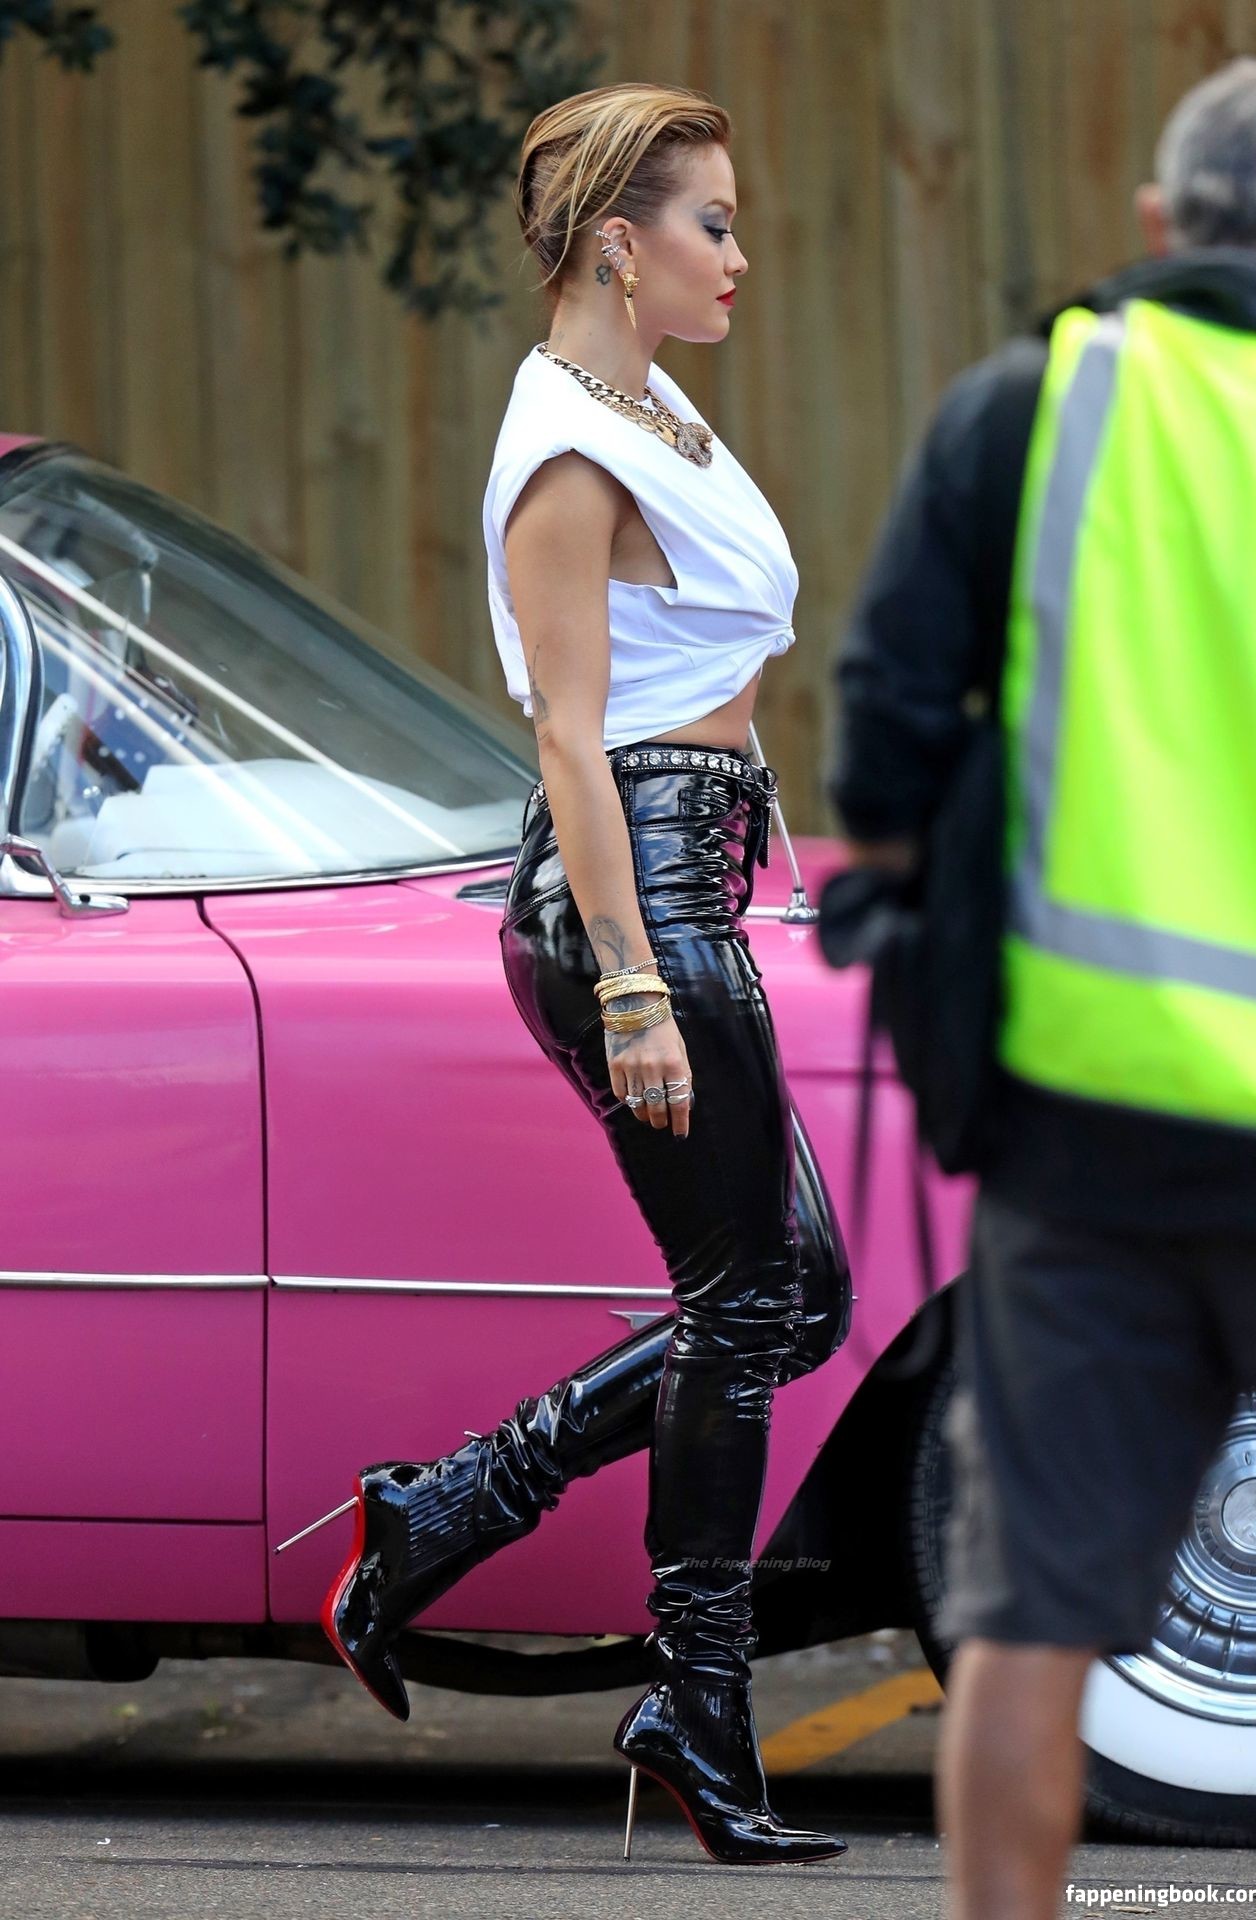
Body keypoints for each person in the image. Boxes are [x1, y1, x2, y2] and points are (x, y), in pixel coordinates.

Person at [292, 82, 851, 1867]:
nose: (740, 256)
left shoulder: (651, 407)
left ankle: (445, 1515)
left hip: (690, 876)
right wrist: (629, 984)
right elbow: (566, 735)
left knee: (788, 1297)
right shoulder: (565, 450)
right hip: (634, 900)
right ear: (623, 242)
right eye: (713, 224)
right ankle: (697, 1702)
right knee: (749, 1309)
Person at [826, 56, 1256, 1920]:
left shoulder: (1033, 410)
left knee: (1028, 1619)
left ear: (1163, 224)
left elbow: (879, 740)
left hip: (1085, 1139)